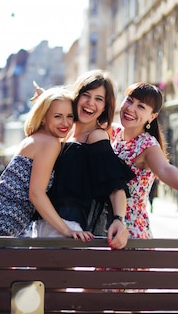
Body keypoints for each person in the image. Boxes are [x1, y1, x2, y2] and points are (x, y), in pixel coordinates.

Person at [0, 87, 91, 242]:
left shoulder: (35, 138)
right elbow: (36, 194)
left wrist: (45, 99)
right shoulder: (50, 143)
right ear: (43, 117)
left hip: (0, 219)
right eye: (58, 116)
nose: (65, 123)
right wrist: (66, 230)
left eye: (70, 116)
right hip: (3, 225)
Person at [33, 70, 133, 250]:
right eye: (86, 95)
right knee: (42, 278)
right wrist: (45, 98)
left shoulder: (96, 136)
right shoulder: (67, 131)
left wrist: (119, 219)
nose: (90, 103)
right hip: (45, 221)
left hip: (67, 224)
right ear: (76, 97)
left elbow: (114, 183)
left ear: (105, 107)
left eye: (99, 99)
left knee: (58, 278)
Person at [111, 82, 178, 239]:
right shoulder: (115, 133)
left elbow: (165, 169)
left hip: (130, 230)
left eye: (141, 106)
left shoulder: (147, 144)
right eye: (130, 100)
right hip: (107, 226)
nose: (131, 108)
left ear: (152, 116)